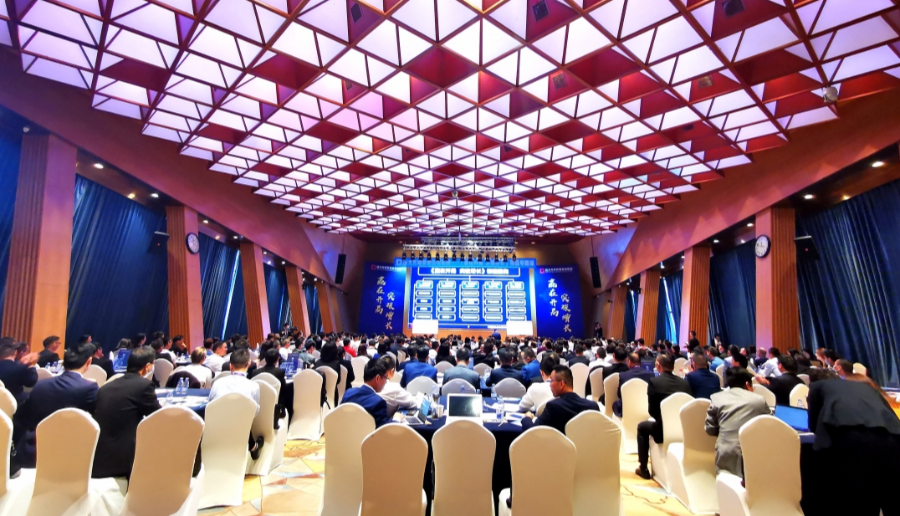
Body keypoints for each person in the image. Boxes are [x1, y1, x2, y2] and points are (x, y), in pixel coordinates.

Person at [806, 372, 900, 515]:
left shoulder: (817, 386)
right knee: (891, 494)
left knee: (860, 496)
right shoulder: (868, 388)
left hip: (852, 438)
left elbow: (814, 419)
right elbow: (888, 413)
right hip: (891, 437)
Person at [16, 342, 99, 468]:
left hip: (32, 451)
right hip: (67, 456)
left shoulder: (41, 384)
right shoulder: (89, 388)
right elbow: (95, 421)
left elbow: (21, 415)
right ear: (88, 362)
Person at [91, 347, 160, 478]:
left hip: (98, 455)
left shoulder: (106, 387)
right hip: (124, 459)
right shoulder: (144, 385)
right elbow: (157, 416)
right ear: (148, 366)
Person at [635, 354, 693, 479]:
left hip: (662, 430)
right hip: (684, 429)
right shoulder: (685, 383)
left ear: (657, 365)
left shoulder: (654, 382)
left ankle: (643, 468)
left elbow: (652, 411)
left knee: (641, 427)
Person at [704, 367, 770, 478]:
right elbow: (770, 428)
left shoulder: (716, 398)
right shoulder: (759, 400)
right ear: (747, 384)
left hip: (725, 453)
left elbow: (710, 429)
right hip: (754, 455)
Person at [209, 348, 265, 460]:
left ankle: (252, 446)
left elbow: (210, 405)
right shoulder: (253, 386)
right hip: (242, 426)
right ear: (249, 364)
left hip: (217, 427)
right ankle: (253, 447)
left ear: (230, 366)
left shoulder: (217, 383)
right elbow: (255, 412)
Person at [522, 365, 598, 434]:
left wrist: (527, 418)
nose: (550, 385)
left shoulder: (553, 406)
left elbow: (533, 431)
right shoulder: (593, 406)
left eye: (551, 381)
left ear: (561, 384)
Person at [342, 358, 390, 427]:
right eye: (386, 378)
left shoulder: (348, 393)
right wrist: (397, 419)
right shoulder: (378, 402)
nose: (386, 382)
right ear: (377, 378)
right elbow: (384, 429)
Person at [612, 353, 654, 417]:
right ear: (640, 363)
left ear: (629, 362)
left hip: (627, 409)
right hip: (646, 407)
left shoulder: (623, 375)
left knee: (615, 404)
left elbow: (619, 394)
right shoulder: (651, 374)